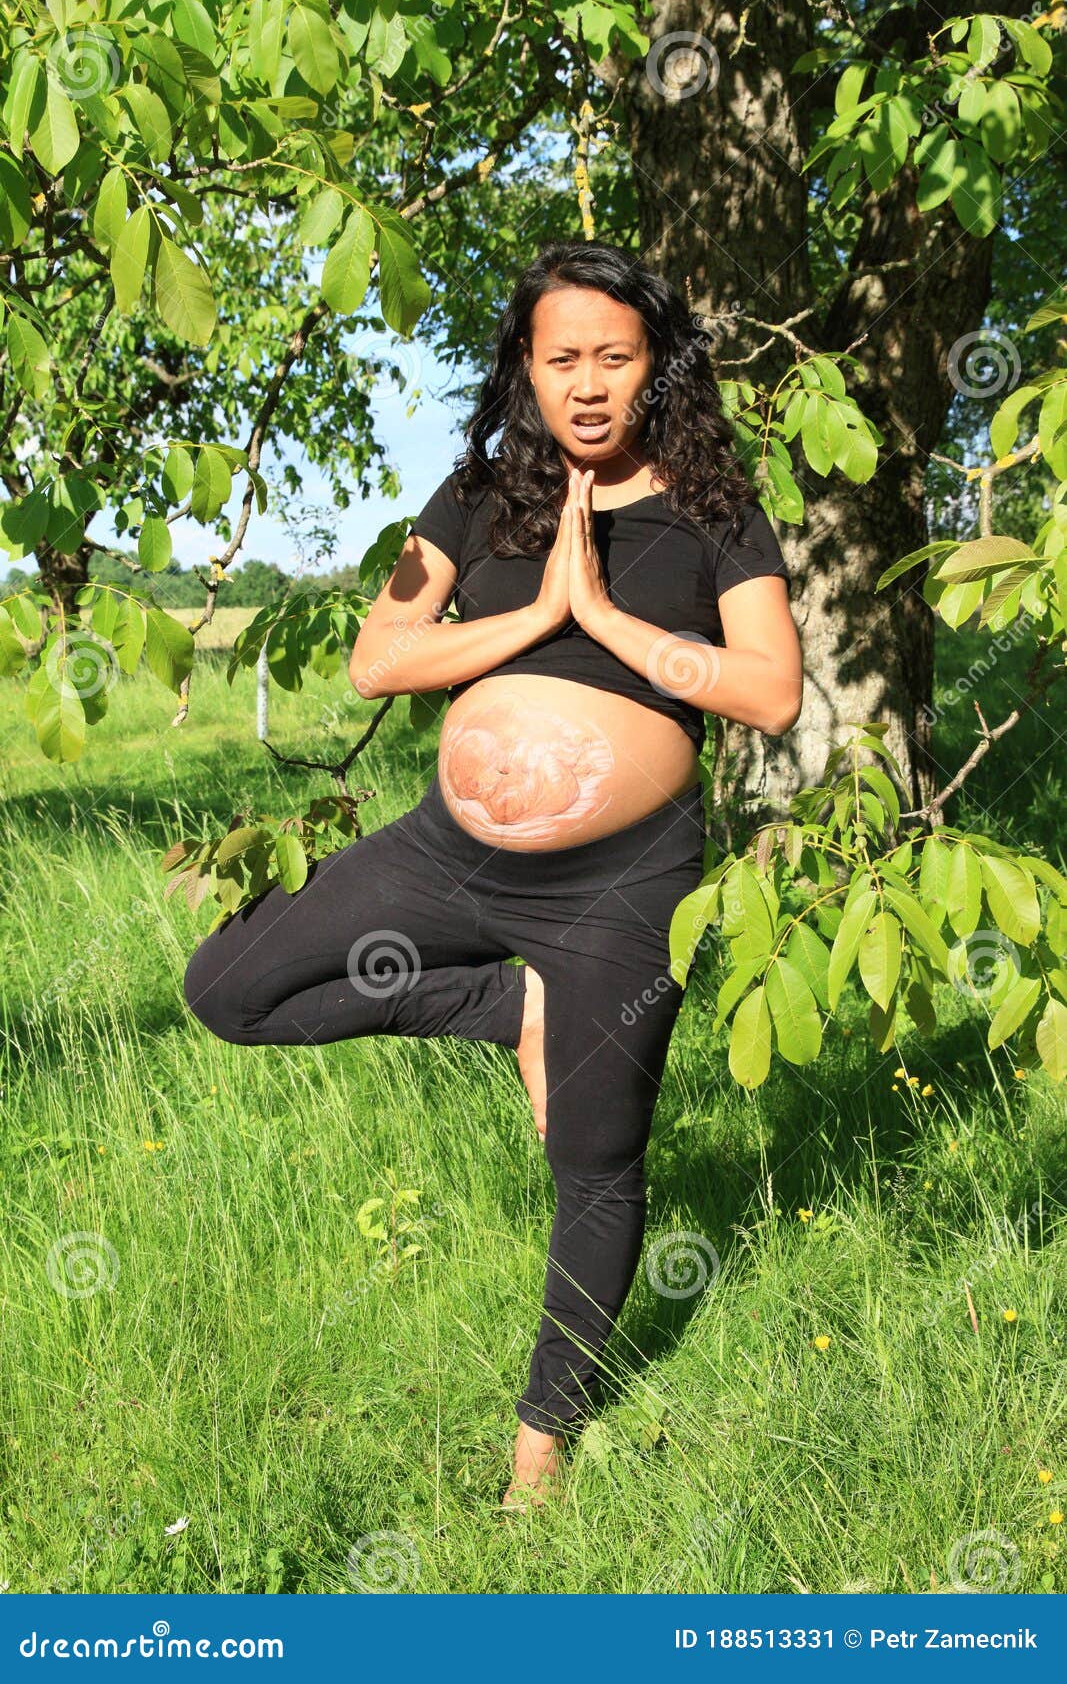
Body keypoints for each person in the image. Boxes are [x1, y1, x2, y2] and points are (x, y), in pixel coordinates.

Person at [183, 239, 803, 1514]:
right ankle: (504, 1008)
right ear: (524, 366)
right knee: (228, 987)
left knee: (594, 1159)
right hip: (446, 854)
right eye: (560, 356)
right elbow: (378, 659)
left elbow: (770, 692)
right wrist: (534, 614)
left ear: (655, 366)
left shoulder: (715, 509)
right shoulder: (473, 495)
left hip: (621, 884)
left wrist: (615, 621)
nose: (586, 383)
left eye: (614, 357)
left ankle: (538, 1455)